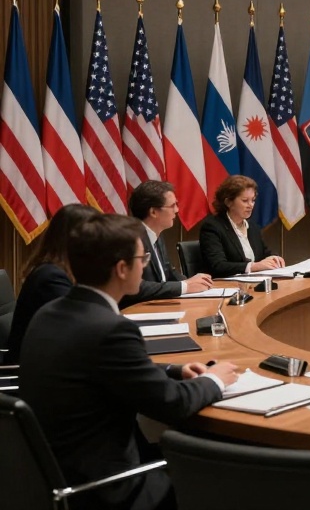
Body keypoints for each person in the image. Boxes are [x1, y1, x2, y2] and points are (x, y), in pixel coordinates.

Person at [19, 213, 239, 510]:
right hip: (105, 489)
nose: (145, 265)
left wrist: (175, 369)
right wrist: (214, 380)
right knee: (231, 475)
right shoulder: (111, 329)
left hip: (48, 477)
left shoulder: (51, 313)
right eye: (142, 258)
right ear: (122, 269)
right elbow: (172, 404)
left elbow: (105, 369)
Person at [4, 204, 99, 364]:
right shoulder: (51, 277)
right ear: (77, 239)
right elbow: (82, 327)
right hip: (34, 375)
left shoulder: (64, 270)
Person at [126, 180, 214, 304]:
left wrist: (195, 282)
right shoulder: (131, 239)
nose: (177, 210)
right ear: (153, 212)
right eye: (172, 206)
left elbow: (169, 272)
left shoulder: (157, 234)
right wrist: (184, 286)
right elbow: (135, 287)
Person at [198, 175, 285, 276]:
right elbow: (218, 265)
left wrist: (274, 258)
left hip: (251, 283)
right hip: (224, 286)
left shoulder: (252, 226)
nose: (251, 205)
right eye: (245, 201)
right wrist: (252, 267)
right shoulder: (212, 227)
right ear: (229, 202)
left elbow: (264, 253)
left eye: (253, 200)